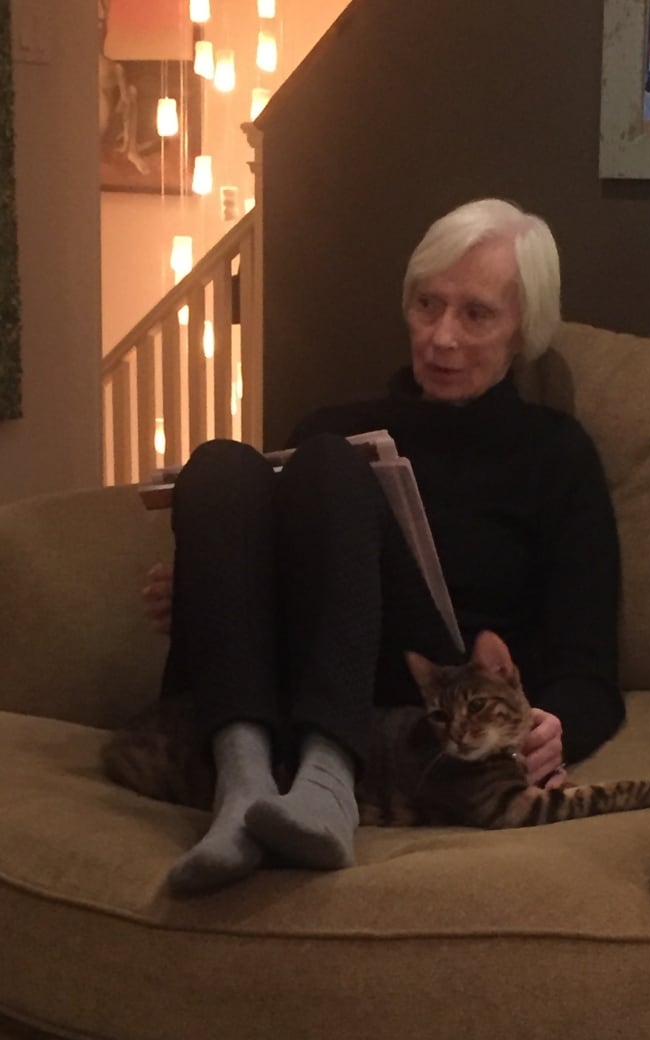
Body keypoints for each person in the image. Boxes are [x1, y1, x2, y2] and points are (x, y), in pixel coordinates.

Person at [143, 198, 624, 894]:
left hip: (424, 712)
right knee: (221, 464)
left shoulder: (556, 455)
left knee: (335, 467)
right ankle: (241, 784)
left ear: (525, 331)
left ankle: (327, 781)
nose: (441, 337)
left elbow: (590, 668)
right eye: (427, 305)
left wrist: (558, 726)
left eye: (476, 314)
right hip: (280, 686)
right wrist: (204, 590)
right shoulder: (333, 425)